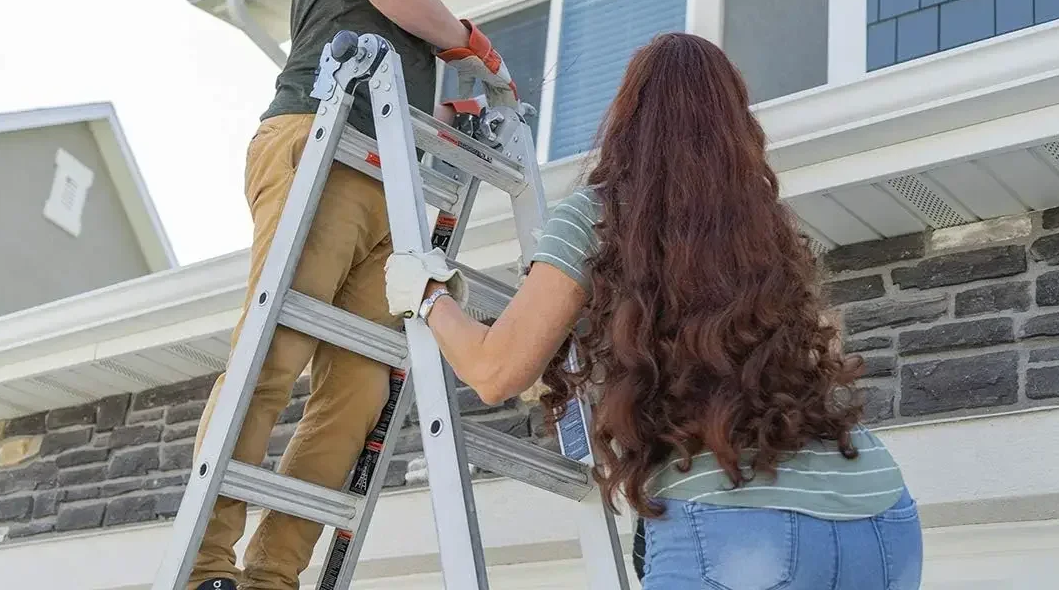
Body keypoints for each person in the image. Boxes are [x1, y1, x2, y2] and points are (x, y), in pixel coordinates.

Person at [385, 32, 925, 589]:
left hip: (738, 527)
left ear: (630, 119)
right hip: (881, 514)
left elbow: (495, 372)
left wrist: (428, 296)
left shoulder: (598, 217)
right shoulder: (762, 229)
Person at [187, 0, 518, 590]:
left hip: (388, 181)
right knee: (275, 354)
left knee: (361, 390)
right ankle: (207, 566)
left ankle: (272, 577)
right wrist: (471, 46)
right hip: (319, 144)